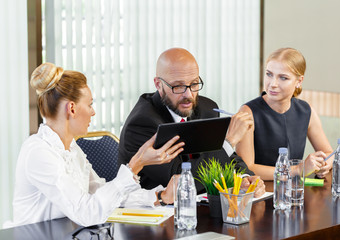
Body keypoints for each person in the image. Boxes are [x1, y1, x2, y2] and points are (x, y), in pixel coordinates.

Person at [5, 63, 185, 228]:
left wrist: (160, 197)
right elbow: (87, 213)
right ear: (72, 109)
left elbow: (102, 193)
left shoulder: (71, 148)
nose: (93, 112)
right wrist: (135, 165)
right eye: (90, 104)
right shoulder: (39, 153)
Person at [118, 48, 265, 197]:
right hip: (156, 212)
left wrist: (245, 178)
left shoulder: (207, 108)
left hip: (201, 206)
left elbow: (225, 156)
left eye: (194, 84)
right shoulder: (141, 124)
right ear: (158, 84)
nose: (188, 95)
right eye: (178, 86)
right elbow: (181, 181)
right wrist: (229, 141)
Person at [236, 48, 333, 180]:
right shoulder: (248, 112)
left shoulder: (306, 110)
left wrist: (324, 164)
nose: (273, 84)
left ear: (299, 81)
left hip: (295, 193)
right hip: (261, 193)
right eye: (269, 74)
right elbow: (247, 168)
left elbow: (329, 153)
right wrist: (298, 169)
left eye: (283, 77)